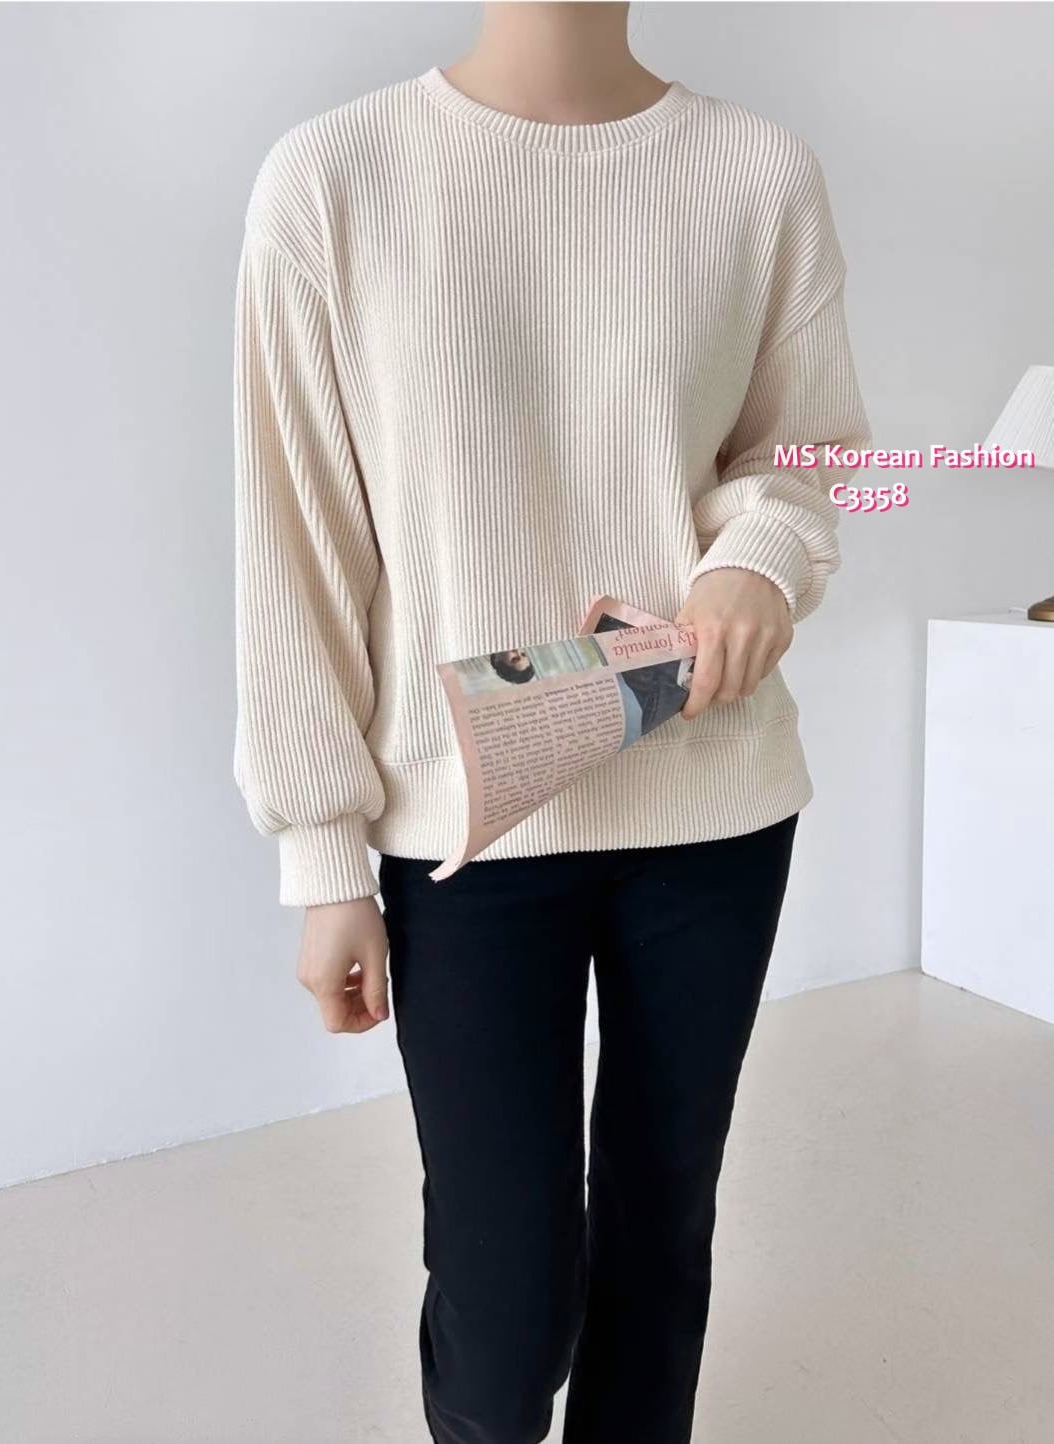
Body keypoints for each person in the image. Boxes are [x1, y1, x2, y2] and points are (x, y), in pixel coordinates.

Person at [231, 5, 872, 1441]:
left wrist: (757, 558)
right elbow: (298, 544)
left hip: (710, 805)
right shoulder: (332, 179)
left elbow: (814, 452)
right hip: (463, 828)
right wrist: (324, 857)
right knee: (506, 1290)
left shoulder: (758, 171)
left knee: (661, 1233)